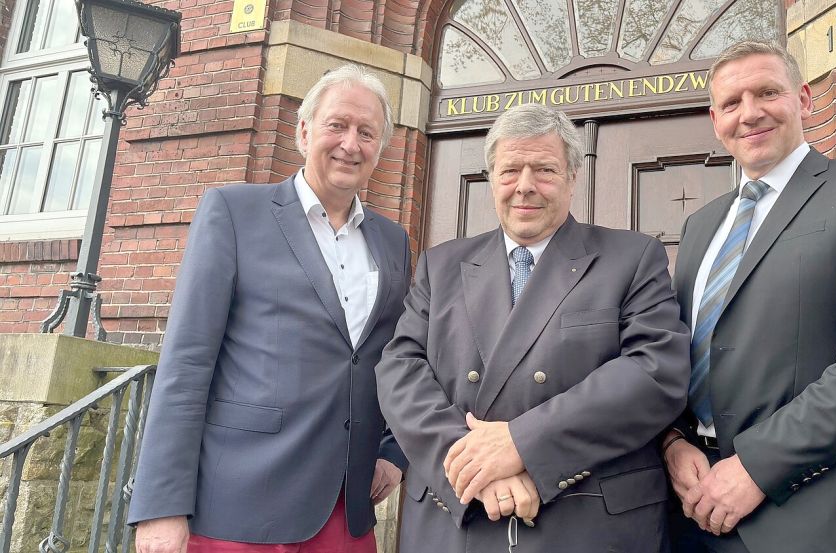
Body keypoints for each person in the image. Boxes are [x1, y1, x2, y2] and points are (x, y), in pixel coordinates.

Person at [375, 103, 691, 552]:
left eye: (544, 169)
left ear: (572, 177)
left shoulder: (632, 258)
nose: (525, 187)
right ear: (491, 179)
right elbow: (399, 370)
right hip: (457, 517)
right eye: (510, 171)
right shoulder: (440, 265)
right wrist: (471, 464)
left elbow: (654, 371)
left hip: (585, 522)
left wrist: (523, 444)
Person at [664, 41, 836, 553]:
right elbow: (677, 353)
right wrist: (672, 443)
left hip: (810, 510)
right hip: (690, 509)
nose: (750, 113)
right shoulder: (700, 226)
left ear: (804, 99)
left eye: (768, 92)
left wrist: (756, 466)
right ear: (714, 119)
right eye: (731, 103)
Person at [128, 64, 410, 553]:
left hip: (347, 510)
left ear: (380, 149)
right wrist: (161, 505)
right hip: (240, 507)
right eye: (337, 125)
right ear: (303, 131)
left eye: (367, 133)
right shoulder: (233, 212)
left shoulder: (393, 241)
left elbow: (399, 357)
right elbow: (186, 364)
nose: (351, 143)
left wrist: (394, 449)